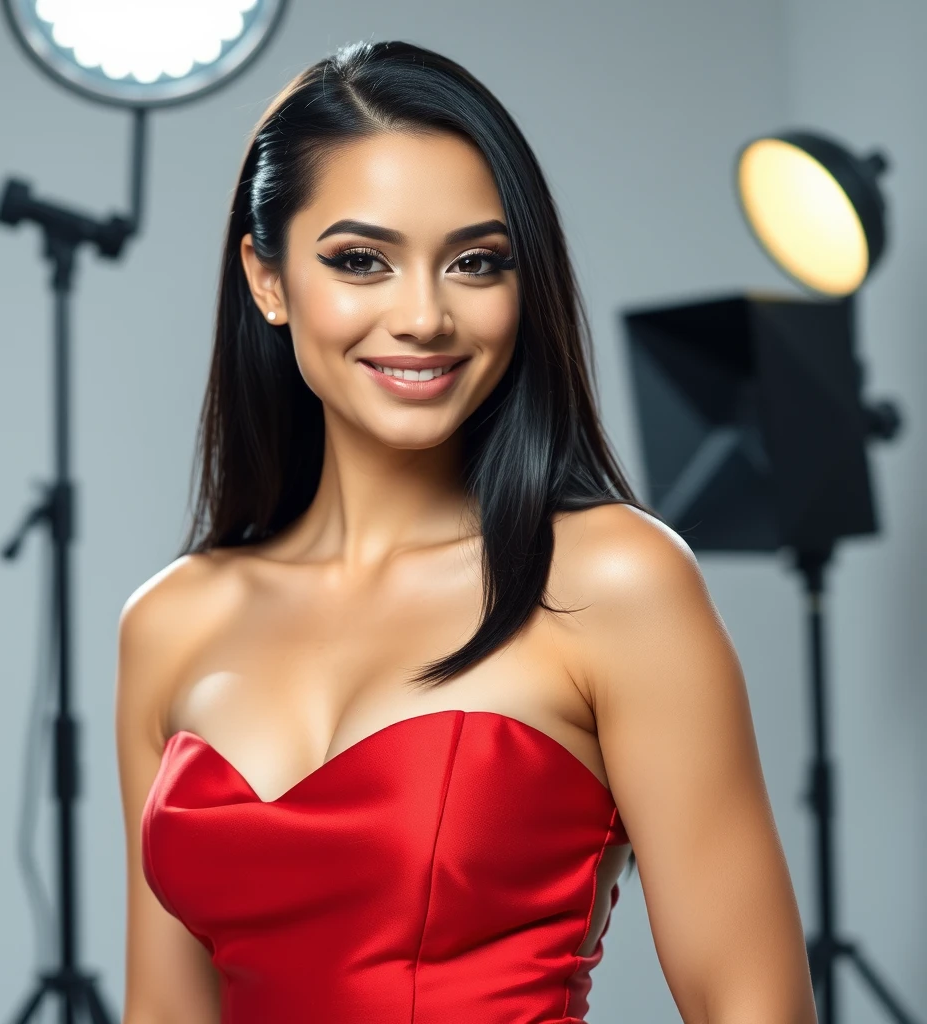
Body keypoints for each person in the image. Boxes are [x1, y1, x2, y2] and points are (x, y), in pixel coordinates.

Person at [116, 39, 816, 1024]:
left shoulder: (613, 580)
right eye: (360, 261)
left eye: (475, 263)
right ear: (266, 280)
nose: (423, 315)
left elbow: (754, 1006)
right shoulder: (170, 621)